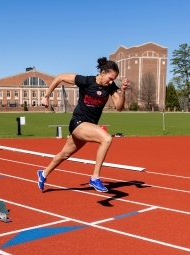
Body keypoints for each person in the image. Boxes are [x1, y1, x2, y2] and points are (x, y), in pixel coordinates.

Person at [38, 57, 129, 192]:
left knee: (64, 154)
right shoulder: (86, 81)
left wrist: (123, 91)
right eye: (110, 78)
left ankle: (43, 174)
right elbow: (61, 77)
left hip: (88, 127)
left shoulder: (110, 88)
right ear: (103, 73)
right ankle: (95, 177)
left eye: (113, 80)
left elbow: (119, 107)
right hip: (78, 123)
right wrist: (46, 95)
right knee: (106, 139)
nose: (111, 82)